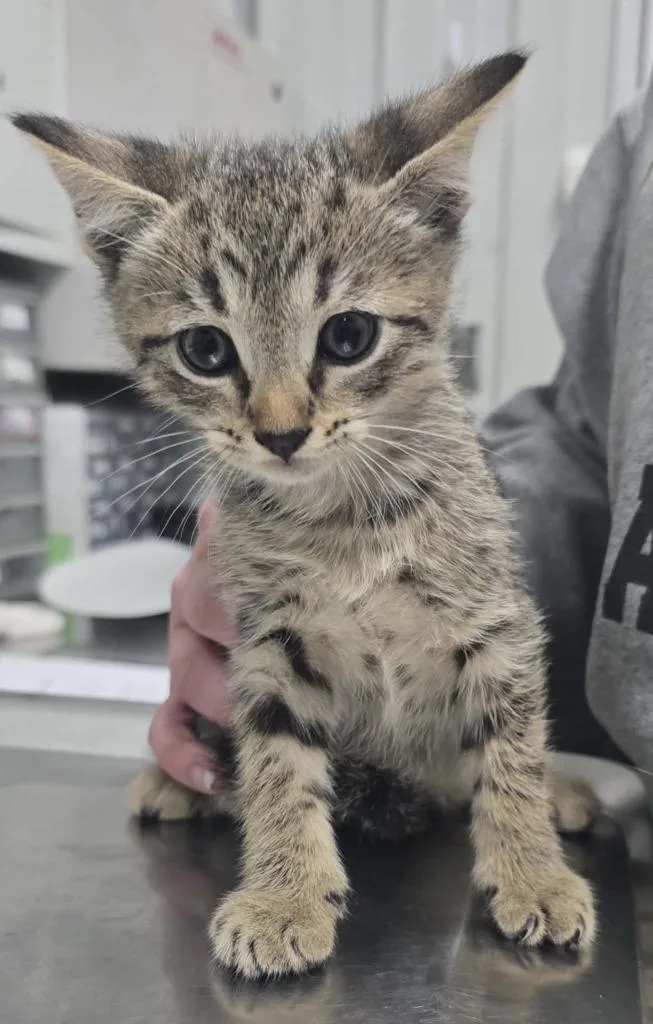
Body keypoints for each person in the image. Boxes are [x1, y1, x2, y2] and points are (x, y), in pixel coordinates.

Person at [150, 82, 653, 796]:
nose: (281, 422)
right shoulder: (643, 141)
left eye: (346, 336)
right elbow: (585, 439)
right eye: (208, 350)